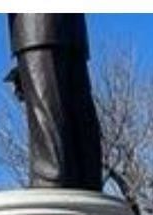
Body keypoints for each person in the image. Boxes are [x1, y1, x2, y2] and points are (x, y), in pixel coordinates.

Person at [6, 14, 104, 190]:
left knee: (53, 167)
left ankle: (51, 206)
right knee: (83, 160)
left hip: (36, 29)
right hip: (69, 34)